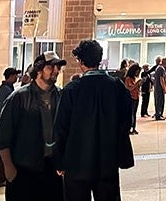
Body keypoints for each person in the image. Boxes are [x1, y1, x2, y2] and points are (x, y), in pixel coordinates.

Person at [54, 40, 133, 200]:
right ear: (99, 59)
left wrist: (60, 160)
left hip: (77, 162)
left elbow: (61, 127)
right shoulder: (116, 87)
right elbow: (126, 122)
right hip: (107, 161)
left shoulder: (72, 89)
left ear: (81, 61)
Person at [0, 52, 65, 200]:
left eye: (58, 67)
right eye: (51, 67)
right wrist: (9, 168)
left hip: (52, 170)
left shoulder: (61, 96)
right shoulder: (19, 97)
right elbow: (3, 135)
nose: (56, 71)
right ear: (39, 69)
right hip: (24, 169)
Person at [124, 63, 143, 135]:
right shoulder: (128, 79)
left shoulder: (134, 78)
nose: (138, 73)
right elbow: (129, 89)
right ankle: (129, 128)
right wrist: (137, 83)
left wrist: (140, 84)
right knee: (130, 113)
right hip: (131, 97)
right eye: (137, 72)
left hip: (136, 97)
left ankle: (133, 128)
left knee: (134, 113)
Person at [153, 55, 166, 120]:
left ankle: (159, 114)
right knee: (160, 102)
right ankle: (158, 115)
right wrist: (164, 88)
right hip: (159, 88)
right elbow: (161, 79)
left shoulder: (158, 67)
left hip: (157, 87)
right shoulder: (161, 68)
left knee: (158, 101)